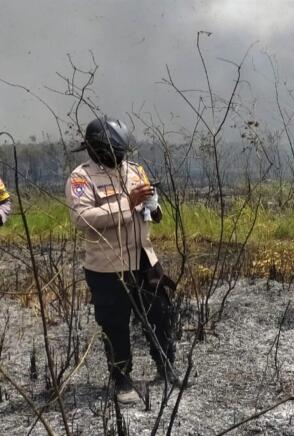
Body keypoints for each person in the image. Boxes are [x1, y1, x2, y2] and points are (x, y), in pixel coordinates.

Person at [66, 117, 178, 404]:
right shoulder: (82, 178)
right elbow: (83, 219)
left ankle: (167, 367)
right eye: (114, 151)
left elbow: (151, 212)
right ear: (96, 149)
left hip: (144, 259)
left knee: (162, 315)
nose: (120, 157)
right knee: (116, 326)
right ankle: (123, 381)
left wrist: (154, 208)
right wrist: (126, 203)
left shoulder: (134, 171)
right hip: (108, 267)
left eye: (122, 151)